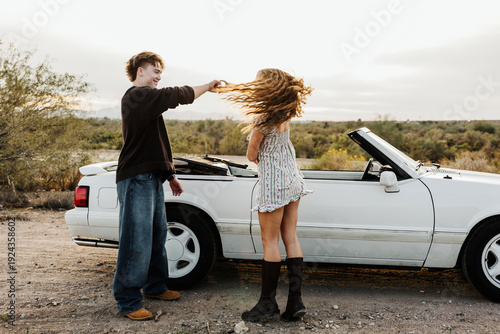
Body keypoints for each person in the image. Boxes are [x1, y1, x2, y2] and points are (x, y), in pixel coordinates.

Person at [113, 51, 221, 321]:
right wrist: (207, 87)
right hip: (136, 178)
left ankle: (155, 286)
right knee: (136, 240)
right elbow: (175, 95)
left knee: (156, 236)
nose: (159, 77)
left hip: (150, 177)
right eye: (155, 71)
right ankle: (127, 300)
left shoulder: (147, 103)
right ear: (140, 71)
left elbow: (157, 143)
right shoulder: (137, 96)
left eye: (161, 72)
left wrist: (170, 174)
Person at [217, 69, 313, 322]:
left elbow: (251, 155)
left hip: (273, 184)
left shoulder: (263, 118)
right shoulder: (287, 113)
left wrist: (262, 157)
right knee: (290, 237)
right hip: (293, 179)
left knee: (269, 242)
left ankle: (267, 303)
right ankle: (295, 302)